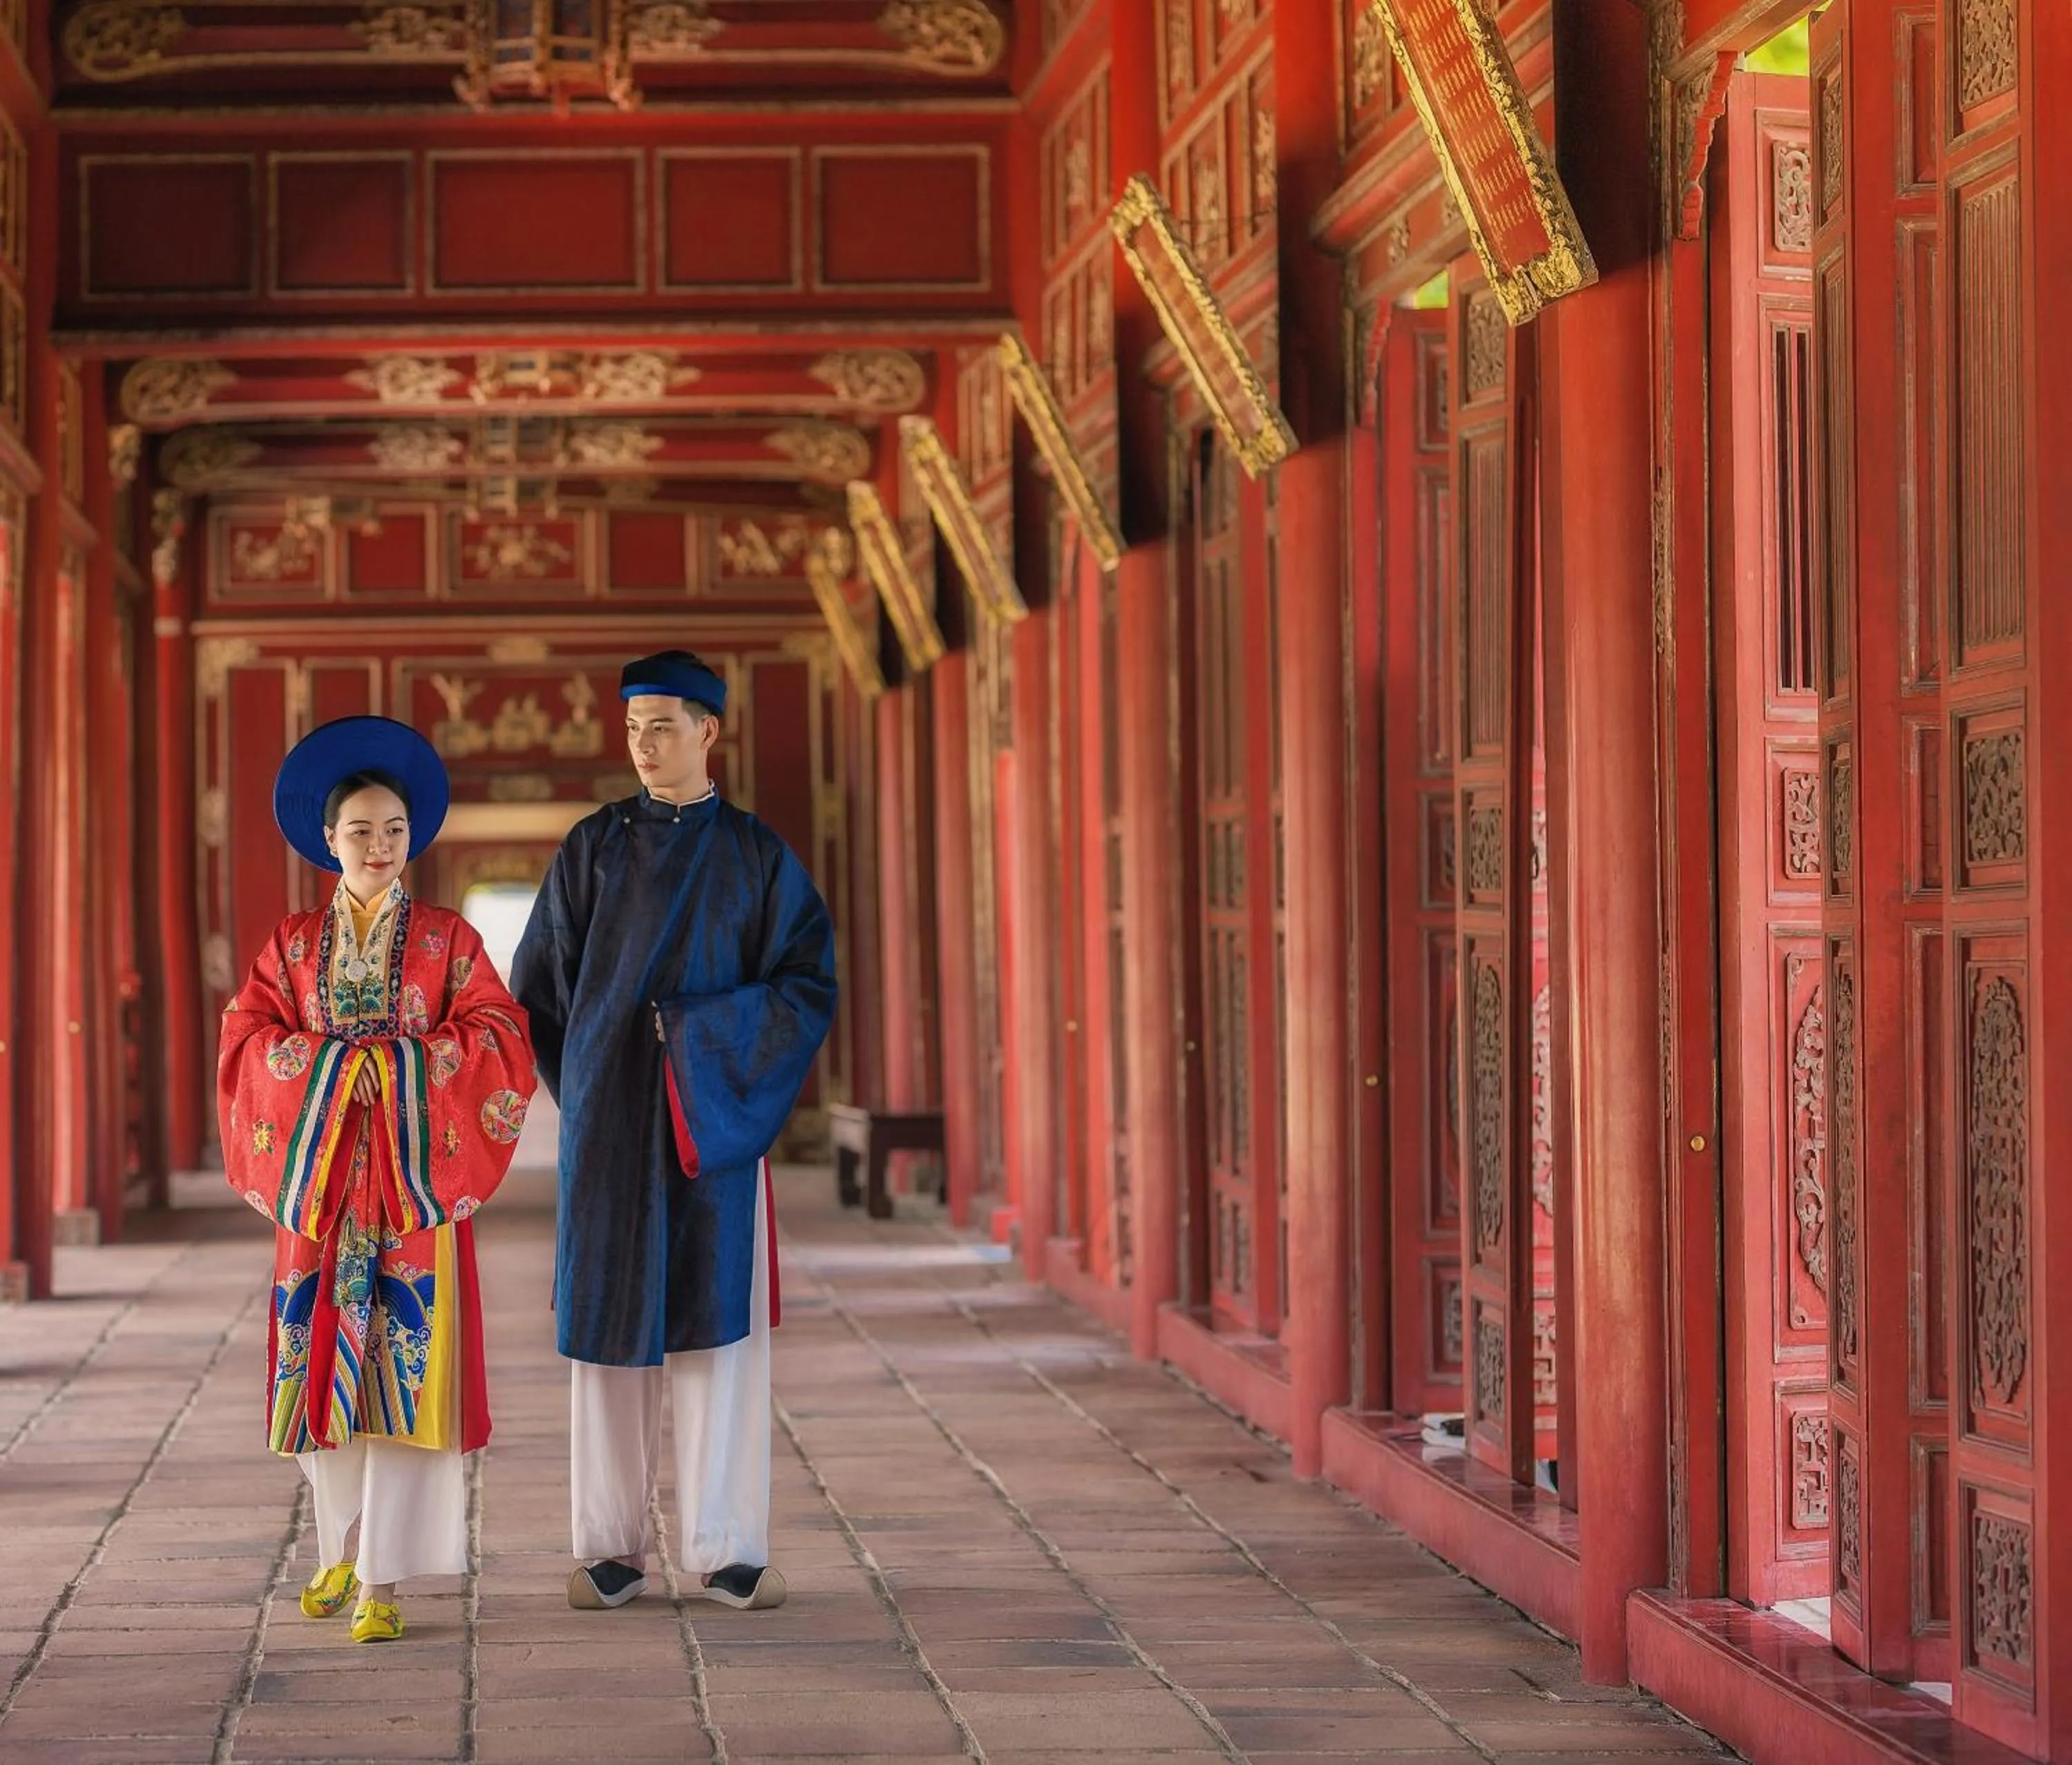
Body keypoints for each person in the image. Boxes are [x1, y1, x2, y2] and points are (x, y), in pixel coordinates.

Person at [511, 648, 836, 1614]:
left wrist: (698, 1040)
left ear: (709, 731)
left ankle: (727, 1549)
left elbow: (806, 985)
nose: (644, 745)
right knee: (609, 1338)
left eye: (662, 726)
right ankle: (609, 1549)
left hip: (714, 1128)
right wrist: (594, 1086)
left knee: (717, 1336)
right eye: (632, 728)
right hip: (610, 1130)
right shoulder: (592, 848)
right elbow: (539, 990)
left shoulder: (756, 856)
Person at [219, 716, 537, 1643]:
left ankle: (382, 1579)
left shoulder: (449, 941)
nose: (379, 846)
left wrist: (393, 1070)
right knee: (320, 1370)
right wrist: (329, 1072)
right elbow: (245, 1042)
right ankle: (335, 1548)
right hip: (320, 1195)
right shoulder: (289, 947)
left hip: (414, 1195)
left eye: (395, 829)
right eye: (360, 830)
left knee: (403, 1382)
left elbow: (500, 1037)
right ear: (329, 839)